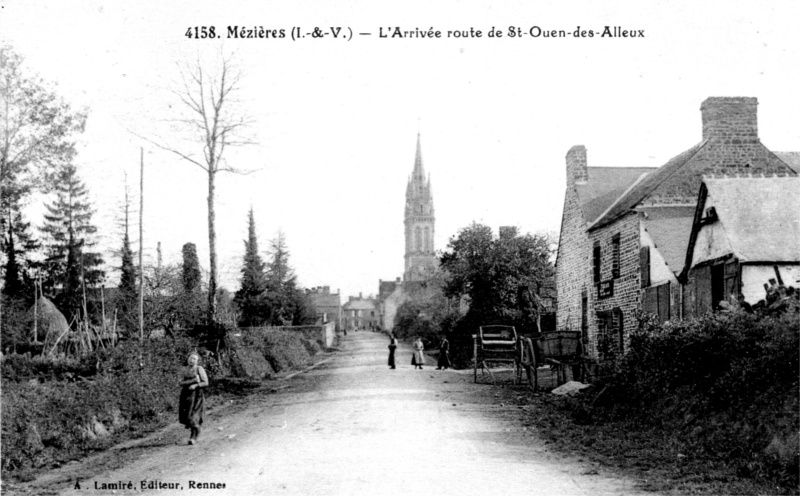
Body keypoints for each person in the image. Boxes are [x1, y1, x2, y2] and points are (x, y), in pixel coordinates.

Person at [179, 352, 208, 445]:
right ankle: (193, 433)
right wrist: (192, 381)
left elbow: (206, 382)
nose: (191, 360)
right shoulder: (184, 370)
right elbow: (180, 383)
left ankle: (194, 436)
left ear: (197, 361)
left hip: (197, 396)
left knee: (194, 417)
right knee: (187, 416)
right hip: (186, 395)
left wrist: (196, 385)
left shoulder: (199, 369)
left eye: (194, 359)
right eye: (190, 358)